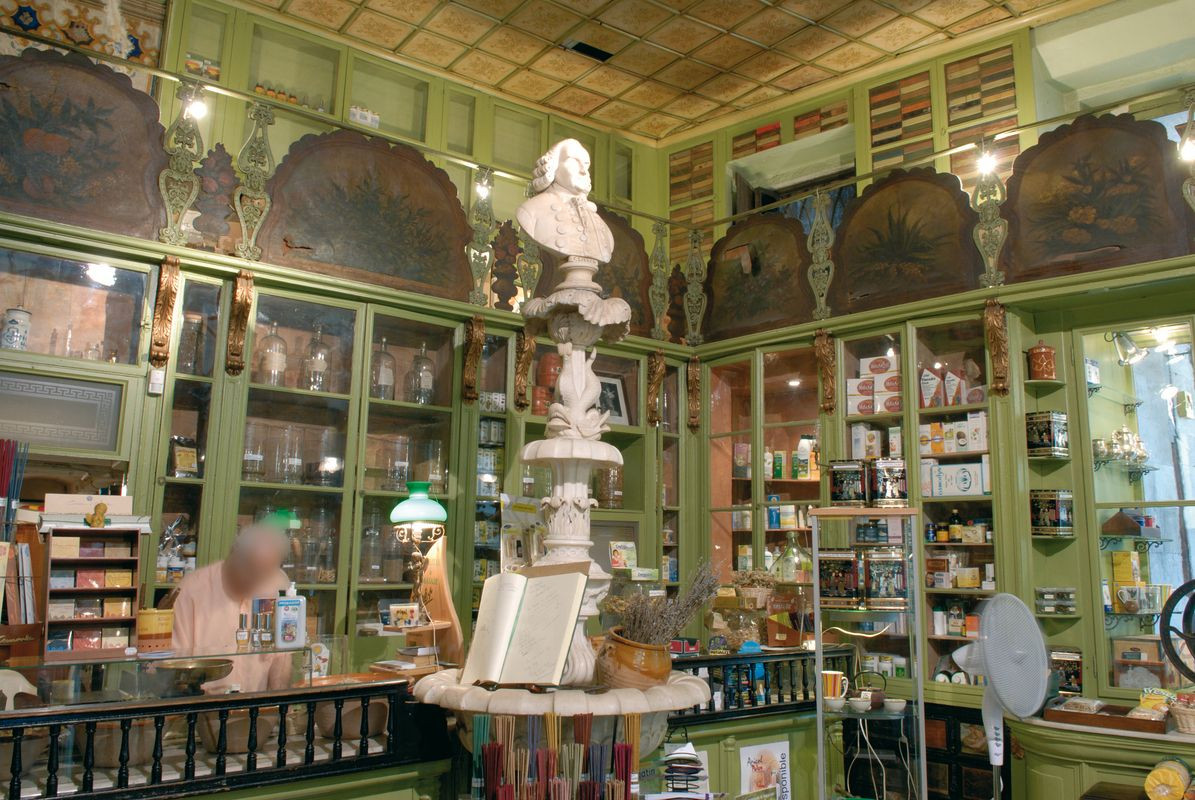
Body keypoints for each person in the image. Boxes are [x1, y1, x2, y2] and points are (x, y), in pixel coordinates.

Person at [172, 521, 292, 693]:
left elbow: (282, 657)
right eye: (251, 571)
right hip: (207, 711)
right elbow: (176, 670)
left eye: (266, 574)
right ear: (234, 555)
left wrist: (281, 711)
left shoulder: (278, 584)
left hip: (258, 712)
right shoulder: (190, 591)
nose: (257, 581)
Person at [516, 138, 614, 266]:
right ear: (553, 166)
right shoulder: (531, 211)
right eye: (574, 161)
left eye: (586, 164)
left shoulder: (603, 228)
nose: (583, 170)